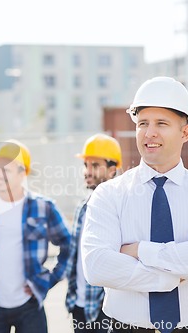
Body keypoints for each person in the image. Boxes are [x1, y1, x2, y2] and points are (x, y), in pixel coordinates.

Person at [81, 77, 188, 333]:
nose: (149, 132)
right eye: (143, 123)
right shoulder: (109, 194)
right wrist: (177, 273)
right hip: (125, 328)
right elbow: (97, 265)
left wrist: (139, 250)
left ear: (185, 132)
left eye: (161, 124)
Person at [0, 139, 71, 333]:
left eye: (5, 169)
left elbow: (69, 246)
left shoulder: (43, 207)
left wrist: (48, 280)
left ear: (23, 173)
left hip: (30, 307)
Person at [65, 133, 122, 333]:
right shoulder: (83, 207)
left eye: (95, 166)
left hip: (106, 307)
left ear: (112, 169)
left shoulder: (122, 207)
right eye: (86, 165)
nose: (88, 171)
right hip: (80, 305)